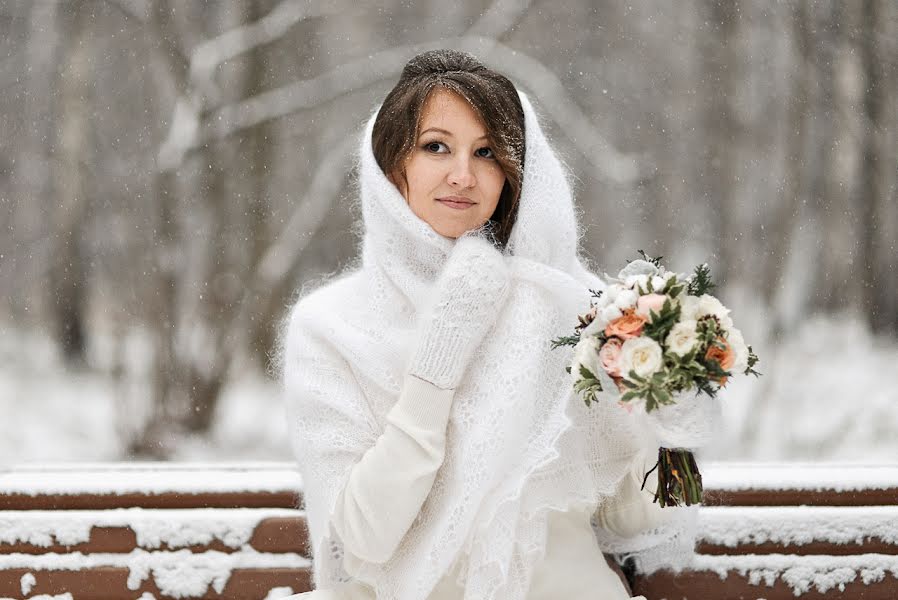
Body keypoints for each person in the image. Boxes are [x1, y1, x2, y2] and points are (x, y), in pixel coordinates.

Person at [280, 49, 719, 600]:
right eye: (435, 146)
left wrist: (676, 425)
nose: (462, 175)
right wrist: (440, 358)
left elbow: (641, 520)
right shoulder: (330, 327)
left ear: (514, 173)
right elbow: (366, 538)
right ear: (394, 166)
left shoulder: (573, 308)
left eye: (486, 152)